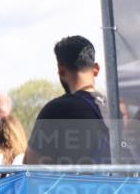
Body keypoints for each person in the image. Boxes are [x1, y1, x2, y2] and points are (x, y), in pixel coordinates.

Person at [25, 36, 110, 165]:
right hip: (116, 184)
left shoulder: (56, 110)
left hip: (70, 185)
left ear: (61, 70)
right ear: (96, 69)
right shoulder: (115, 109)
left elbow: (31, 166)